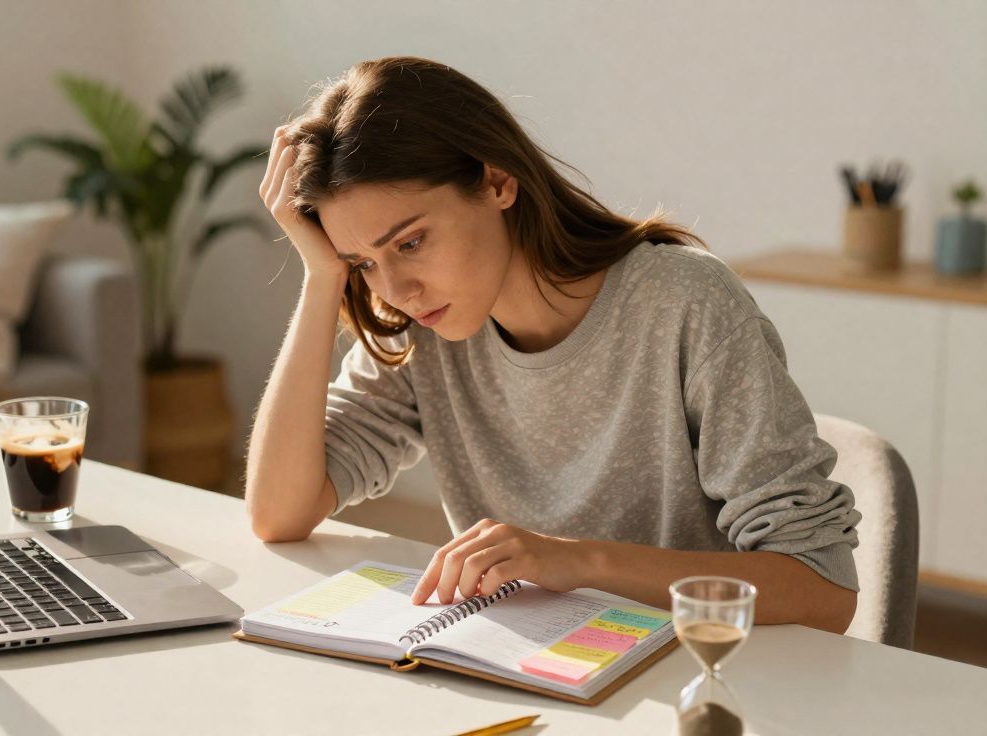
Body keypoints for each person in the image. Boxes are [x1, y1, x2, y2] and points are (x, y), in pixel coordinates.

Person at [244, 56, 860, 634]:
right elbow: (278, 512)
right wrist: (322, 276)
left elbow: (822, 586)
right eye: (363, 262)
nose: (397, 289)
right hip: (535, 668)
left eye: (409, 243)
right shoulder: (424, 326)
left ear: (497, 182)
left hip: (696, 674)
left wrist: (579, 562)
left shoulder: (685, 303)